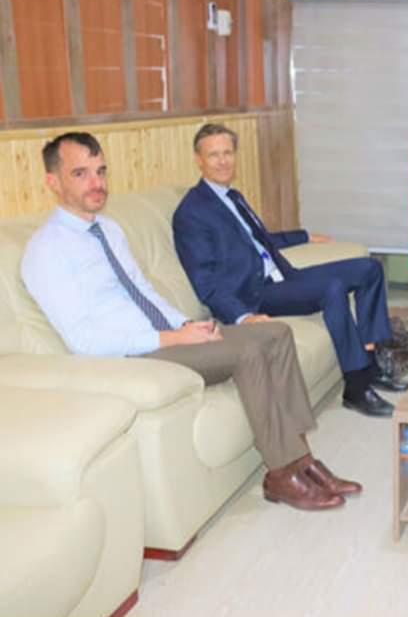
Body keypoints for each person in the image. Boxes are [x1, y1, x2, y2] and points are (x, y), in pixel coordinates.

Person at [21, 132, 362, 512]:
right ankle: (282, 473)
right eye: (80, 174)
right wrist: (170, 338)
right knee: (249, 350)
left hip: (166, 336)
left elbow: (143, 291)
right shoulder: (47, 250)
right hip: (133, 354)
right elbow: (84, 340)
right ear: (53, 181)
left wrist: (187, 326)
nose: (96, 182)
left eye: (100, 171)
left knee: (275, 333)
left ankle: (301, 458)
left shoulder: (109, 230)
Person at [172, 123, 400, 419]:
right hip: (255, 294)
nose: (223, 161)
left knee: (369, 268)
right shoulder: (191, 212)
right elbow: (205, 282)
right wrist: (242, 316)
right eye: (214, 155)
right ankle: (356, 386)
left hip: (284, 277)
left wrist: (302, 236)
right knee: (332, 287)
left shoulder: (233, 197)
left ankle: (372, 363)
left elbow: (259, 239)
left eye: (228, 153)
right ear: (199, 159)